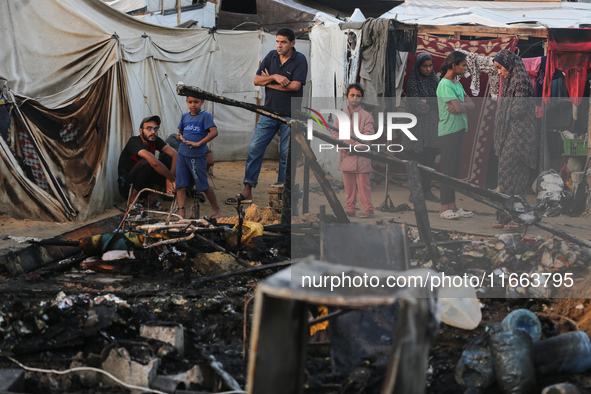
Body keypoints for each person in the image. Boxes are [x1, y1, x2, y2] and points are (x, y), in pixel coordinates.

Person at [226, 27, 308, 205]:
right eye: (277, 41)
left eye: (283, 42)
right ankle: (247, 190)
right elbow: (256, 80)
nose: (279, 45)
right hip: (269, 112)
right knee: (255, 148)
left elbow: (295, 87)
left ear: (292, 43)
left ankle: (281, 194)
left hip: (290, 114)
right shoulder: (271, 56)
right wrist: (275, 76)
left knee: (286, 155)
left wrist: (268, 83)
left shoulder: (299, 59)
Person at [492, 49, 537, 229]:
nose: (499, 72)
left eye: (500, 67)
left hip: (520, 136)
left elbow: (519, 109)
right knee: (504, 175)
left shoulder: (522, 81)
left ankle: (518, 218)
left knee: (514, 177)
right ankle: (505, 216)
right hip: (509, 133)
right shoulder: (511, 81)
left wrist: (503, 111)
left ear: (509, 64)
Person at [436, 51, 475, 220]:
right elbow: (460, 108)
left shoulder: (456, 83)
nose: (466, 68)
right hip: (449, 130)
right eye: (464, 65)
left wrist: (462, 105)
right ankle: (444, 206)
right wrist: (462, 106)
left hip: (458, 128)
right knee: (447, 169)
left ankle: (453, 206)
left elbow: (471, 105)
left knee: (454, 168)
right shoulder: (445, 84)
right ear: (454, 65)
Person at [332, 84, 375, 218]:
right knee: (349, 186)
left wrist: (355, 148)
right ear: (347, 96)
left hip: (361, 157)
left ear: (361, 98)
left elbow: (368, 136)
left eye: (358, 96)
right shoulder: (340, 116)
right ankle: (350, 209)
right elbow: (335, 135)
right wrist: (345, 147)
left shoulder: (367, 116)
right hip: (346, 156)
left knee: (363, 186)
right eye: (352, 95)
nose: (354, 99)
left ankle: (368, 210)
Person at [118, 115, 177, 209]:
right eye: (149, 129)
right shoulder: (133, 141)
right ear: (141, 131)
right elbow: (154, 162)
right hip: (127, 186)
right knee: (148, 162)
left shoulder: (155, 140)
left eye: (156, 129)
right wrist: (172, 179)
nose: (153, 132)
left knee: (167, 158)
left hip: (145, 184)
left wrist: (169, 178)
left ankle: (150, 199)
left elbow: (175, 154)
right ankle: (132, 201)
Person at [176, 95, 221, 219]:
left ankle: (215, 208)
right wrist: (179, 137)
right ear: (186, 102)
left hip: (196, 156)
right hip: (182, 154)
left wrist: (199, 143)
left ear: (202, 101)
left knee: (203, 185)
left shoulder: (205, 116)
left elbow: (214, 132)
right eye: (190, 102)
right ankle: (181, 214)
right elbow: (179, 134)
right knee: (180, 185)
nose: (193, 105)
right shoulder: (185, 116)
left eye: (196, 102)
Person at [405, 52, 440, 202]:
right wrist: (431, 103)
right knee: (417, 163)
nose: (428, 69)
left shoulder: (435, 82)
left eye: (430, 66)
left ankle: (426, 191)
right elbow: (418, 107)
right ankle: (415, 194)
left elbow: (442, 103)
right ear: (418, 67)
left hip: (432, 129)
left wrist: (428, 102)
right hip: (417, 130)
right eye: (424, 66)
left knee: (429, 161)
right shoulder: (413, 83)